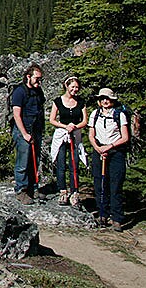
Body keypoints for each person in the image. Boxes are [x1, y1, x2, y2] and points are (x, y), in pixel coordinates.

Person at [88, 87, 129, 231]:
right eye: (102, 98)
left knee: (115, 184)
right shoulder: (95, 114)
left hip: (116, 151)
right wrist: (98, 148)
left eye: (108, 98)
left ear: (112, 100)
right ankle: (102, 214)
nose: (105, 101)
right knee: (100, 183)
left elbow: (125, 137)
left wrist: (109, 147)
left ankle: (117, 218)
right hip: (99, 150)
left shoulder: (120, 115)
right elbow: (91, 134)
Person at [49, 76, 87, 207]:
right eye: (73, 87)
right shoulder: (58, 101)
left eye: (77, 87)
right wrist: (65, 126)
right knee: (61, 164)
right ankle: (62, 191)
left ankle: (75, 192)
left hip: (75, 135)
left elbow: (84, 121)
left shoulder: (81, 102)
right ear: (67, 86)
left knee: (74, 164)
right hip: (62, 134)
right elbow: (52, 119)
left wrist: (75, 127)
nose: (75, 89)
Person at [11, 63, 45, 205]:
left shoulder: (38, 91)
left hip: (36, 129)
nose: (39, 82)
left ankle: (33, 187)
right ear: (28, 77)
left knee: (34, 160)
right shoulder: (20, 92)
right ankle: (21, 190)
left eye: (40, 79)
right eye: (37, 79)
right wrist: (24, 133)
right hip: (23, 130)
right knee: (23, 162)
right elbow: (16, 115)